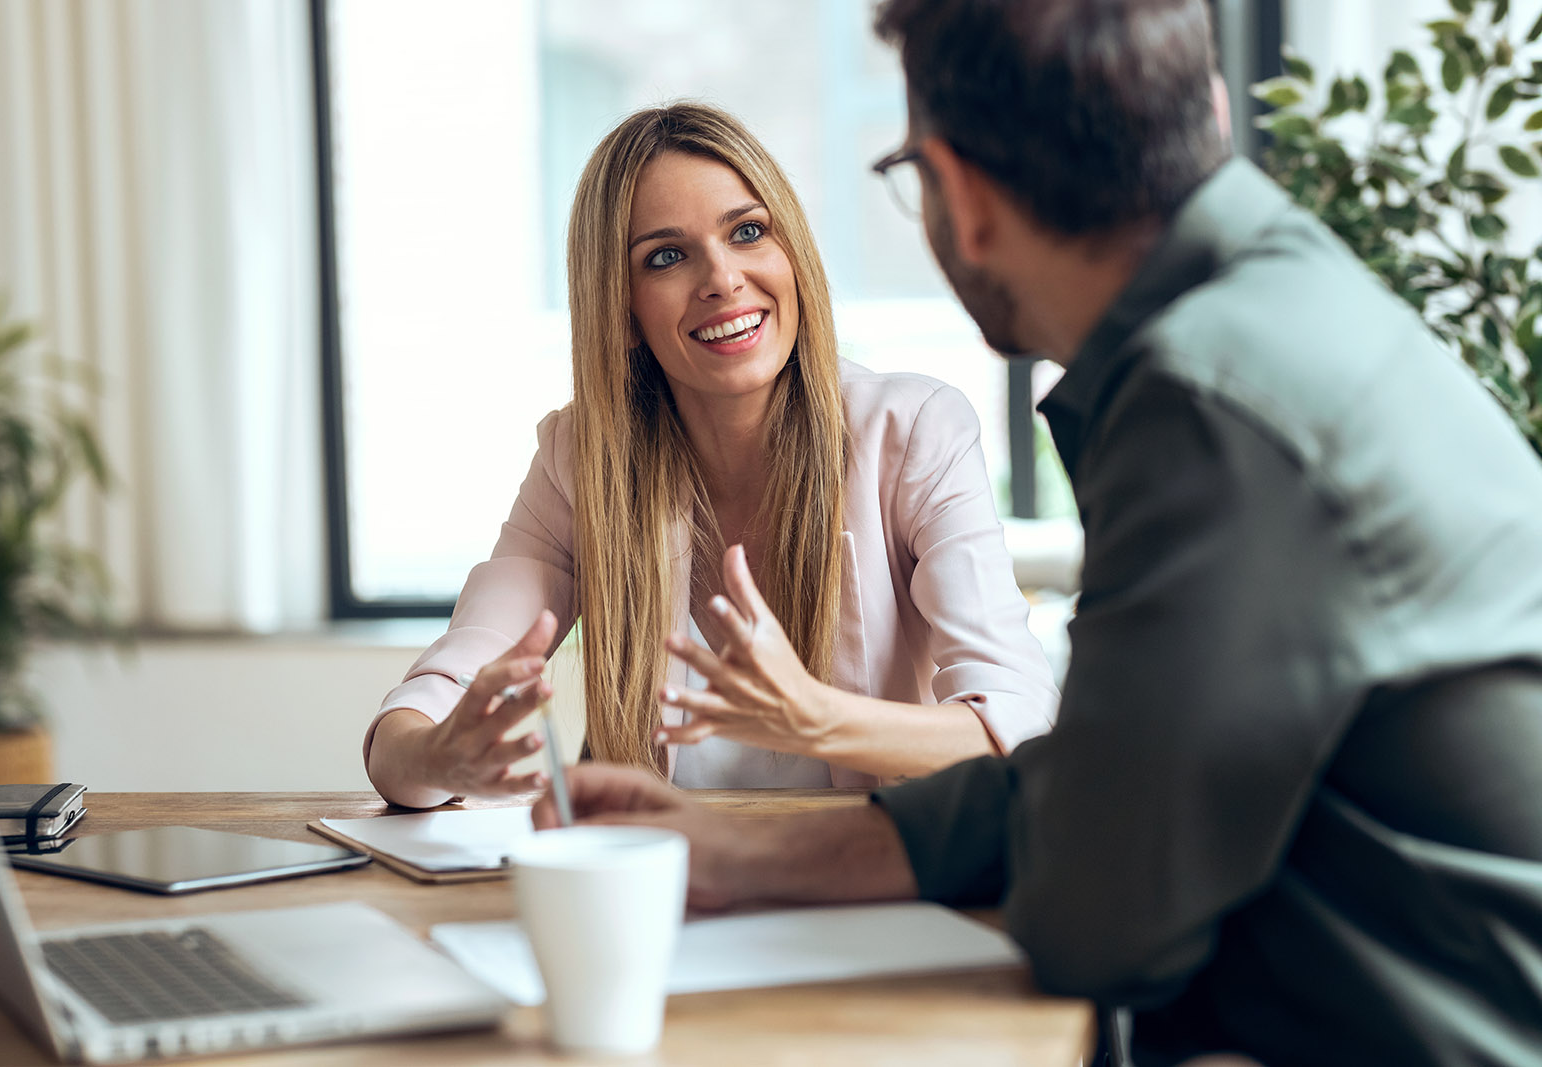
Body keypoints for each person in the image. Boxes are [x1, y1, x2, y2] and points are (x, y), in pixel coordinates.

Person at [535, 2, 1542, 1065]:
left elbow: (1096, 916)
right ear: (1205, 112)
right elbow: (1104, 785)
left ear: (958, 195)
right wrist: (730, 846)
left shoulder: (1204, 402)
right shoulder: (1289, 308)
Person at [364, 103, 1060, 809]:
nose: (723, 278)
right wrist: (439, 756)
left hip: (866, 880)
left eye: (748, 232)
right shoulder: (581, 459)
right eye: (666, 256)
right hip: (672, 889)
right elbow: (416, 725)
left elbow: (1020, 723)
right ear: (623, 309)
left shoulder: (911, 431)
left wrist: (817, 719)